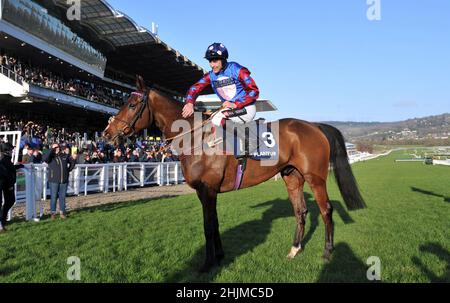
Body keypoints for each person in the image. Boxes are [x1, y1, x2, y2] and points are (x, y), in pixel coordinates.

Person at [182, 42, 260, 127]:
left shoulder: (237, 70)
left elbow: (254, 91)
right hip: (229, 110)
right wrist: (189, 103)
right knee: (210, 119)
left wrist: (235, 104)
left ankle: (249, 138)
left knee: (216, 118)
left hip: (245, 108)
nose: (212, 65)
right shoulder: (211, 76)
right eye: (210, 61)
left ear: (223, 59)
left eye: (215, 61)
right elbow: (194, 88)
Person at [43, 143, 75, 220]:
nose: (56, 148)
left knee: (62, 197)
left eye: (57, 147)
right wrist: (52, 150)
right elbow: (45, 158)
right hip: (53, 180)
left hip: (64, 180)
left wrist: (68, 170)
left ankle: (62, 213)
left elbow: (72, 163)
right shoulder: (50, 157)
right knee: (53, 197)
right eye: (54, 147)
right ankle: (53, 213)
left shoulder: (64, 155)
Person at [0, 142, 23, 232]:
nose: (12, 151)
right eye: (11, 150)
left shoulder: (6, 159)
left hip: (7, 183)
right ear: (6, 151)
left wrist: (16, 167)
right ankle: (1, 223)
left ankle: (3, 218)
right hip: (3, 183)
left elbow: (8, 168)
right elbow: (4, 171)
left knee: (11, 200)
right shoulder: (2, 158)